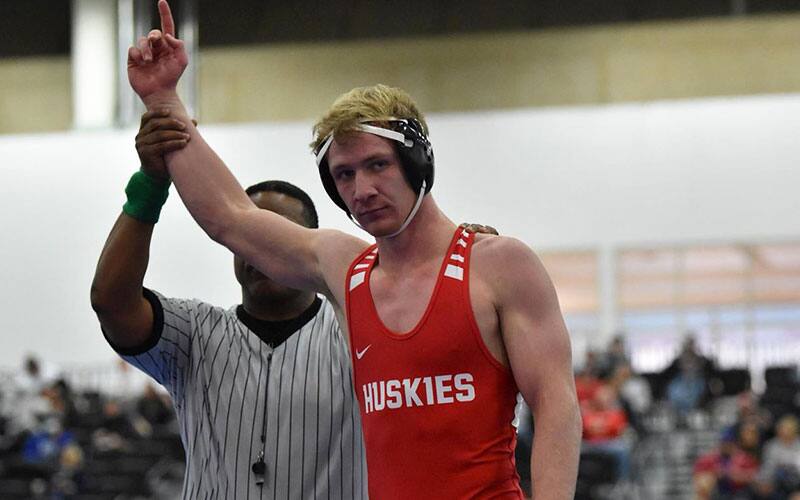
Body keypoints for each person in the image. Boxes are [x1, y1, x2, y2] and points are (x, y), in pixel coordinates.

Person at [124, 2, 581, 498]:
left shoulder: (499, 265)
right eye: (344, 174)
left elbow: (556, 404)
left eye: (377, 165)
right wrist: (162, 98)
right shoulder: (345, 269)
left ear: (416, 162)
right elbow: (231, 218)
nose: (361, 190)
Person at [90, 114, 368, 497]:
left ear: (309, 249)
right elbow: (112, 303)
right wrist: (150, 186)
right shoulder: (194, 332)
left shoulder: (359, 329)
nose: (262, 254)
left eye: (277, 238)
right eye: (250, 240)